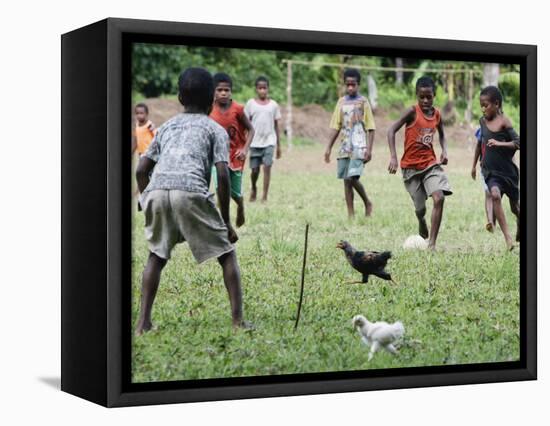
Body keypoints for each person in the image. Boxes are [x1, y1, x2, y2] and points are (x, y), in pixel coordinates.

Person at [134, 67, 250, 335]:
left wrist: (145, 199)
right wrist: (226, 223)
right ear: (212, 99)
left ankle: (142, 323)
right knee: (226, 253)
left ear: (178, 97)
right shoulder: (214, 129)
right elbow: (222, 174)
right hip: (191, 191)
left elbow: (141, 169)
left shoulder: (167, 127)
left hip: (157, 190)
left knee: (156, 254)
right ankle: (238, 321)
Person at [387, 76, 451, 250]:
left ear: (434, 96)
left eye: (428, 97)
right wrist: (393, 156)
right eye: (421, 97)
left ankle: (432, 245)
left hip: (430, 164)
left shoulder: (437, 114)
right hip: (410, 168)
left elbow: (442, 135)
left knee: (439, 198)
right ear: (416, 96)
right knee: (420, 208)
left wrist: (444, 150)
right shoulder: (412, 112)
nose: (425, 100)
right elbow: (391, 130)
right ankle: (421, 220)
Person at [325, 68, 376, 218]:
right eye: (348, 85)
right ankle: (351, 214)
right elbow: (336, 126)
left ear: (358, 85)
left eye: (353, 85)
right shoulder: (341, 102)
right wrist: (328, 147)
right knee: (346, 182)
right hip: (344, 146)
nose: (350, 88)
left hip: (359, 146)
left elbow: (371, 127)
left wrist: (370, 149)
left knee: (352, 177)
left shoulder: (363, 102)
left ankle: (367, 202)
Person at [476, 85, 520, 250]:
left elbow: (518, 143)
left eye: (486, 105)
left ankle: (520, 222)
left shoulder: (504, 121)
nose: (483, 109)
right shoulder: (482, 121)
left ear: (496, 104)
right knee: (494, 195)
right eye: (481, 105)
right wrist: (477, 162)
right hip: (491, 172)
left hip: (508, 173)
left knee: (516, 208)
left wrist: (499, 143)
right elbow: (480, 142)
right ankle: (508, 239)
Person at [209, 73, 255, 227]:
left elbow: (251, 129)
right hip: (217, 156)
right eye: (219, 90)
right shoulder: (209, 108)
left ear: (231, 92)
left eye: (226, 90)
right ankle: (224, 223)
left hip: (235, 156)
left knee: (235, 193)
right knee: (220, 189)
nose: (223, 93)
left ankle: (240, 206)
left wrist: (245, 149)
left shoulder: (238, 109)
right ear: (213, 91)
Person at [244, 76, 282, 202]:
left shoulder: (273, 105)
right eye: (260, 88)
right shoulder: (250, 104)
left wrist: (279, 146)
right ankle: (254, 187)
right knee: (254, 170)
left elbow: (276, 125)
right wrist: (244, 143)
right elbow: (246, 123)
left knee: (267, 167)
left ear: (268, 89)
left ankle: (264, 196)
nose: (262, 91)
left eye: (264, 88)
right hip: (254, 142)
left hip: (269, 141)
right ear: (256, 89)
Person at [471, 127, 495, 232]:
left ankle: (493, 220)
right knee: (488, 193)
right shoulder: (481, 129)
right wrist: (473, 166)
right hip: (485, 167)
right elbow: (478, 147)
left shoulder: (503, 127)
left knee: (496, 195)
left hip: (500, 167)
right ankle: (490, 221)